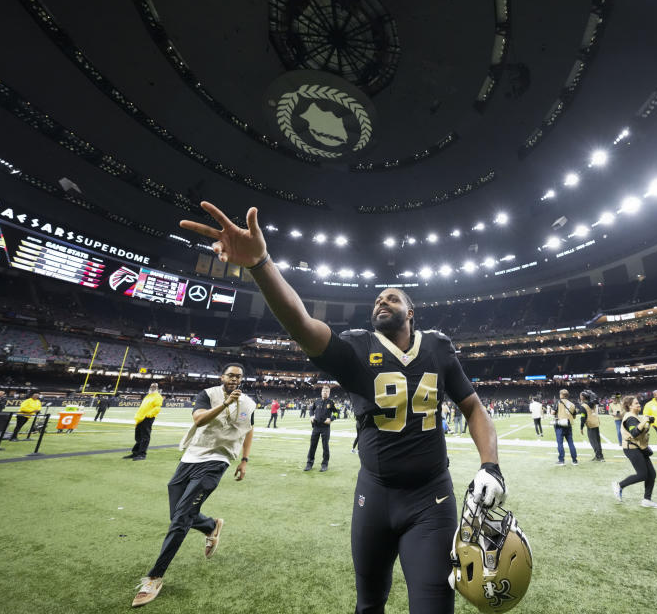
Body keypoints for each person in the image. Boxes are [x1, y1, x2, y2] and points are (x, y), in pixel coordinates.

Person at [181, 202, 505, 613]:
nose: (381, 302)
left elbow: (474, 407)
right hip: (375, 494)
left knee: (434, 605)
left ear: (411, 311)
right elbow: (300, 323)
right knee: (368, 604)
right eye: (377, 300)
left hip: (431, 498)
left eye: (391, 298)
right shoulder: (355, 348)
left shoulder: (438, 347)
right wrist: (261, 263)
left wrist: (489, 464)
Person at [132, 363, 255, 607]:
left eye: (239, 376)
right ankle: (211, 525)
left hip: (217, 460)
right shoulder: (208, 394)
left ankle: (154, 577)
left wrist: (244, 460)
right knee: (177, 513)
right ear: (222, 377)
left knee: (180, 519)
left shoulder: (249, 404)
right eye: (231, 375)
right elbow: (199, 421)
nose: (234, 379)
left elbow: (249, 430)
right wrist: (225, 404)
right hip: (191, 456)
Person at [611, 395, 657, 508]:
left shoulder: (636, 416)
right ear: (629, 406)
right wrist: (645, 421)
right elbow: (634, 432)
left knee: (651, 474)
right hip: (632, 448)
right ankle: (619, 485)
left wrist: (648, 422)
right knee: (643, 474)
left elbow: (642, 431)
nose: (639, 405)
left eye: (638, 403)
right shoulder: (630, 417)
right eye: (636, 403)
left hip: (639, 447)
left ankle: (647, 500)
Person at [126, 384, 162, 460]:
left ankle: (142, 454)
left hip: (147, 418)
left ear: (157, 388)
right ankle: (135, 453)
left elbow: (157, 408)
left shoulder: (157, 396)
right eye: (152, 386)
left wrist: (148, 415)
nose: (152, 387)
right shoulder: (148, 396)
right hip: (140, 418)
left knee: (145, 436)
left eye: (154, 386)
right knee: (138, 437)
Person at [305, 385, 336, 471]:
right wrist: (311, 416)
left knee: (325, 446)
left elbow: (337, 413)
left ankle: (324, 465)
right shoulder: (317, 401)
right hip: (316, 427)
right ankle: (309, 464)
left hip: (325, 428)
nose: (325, 392)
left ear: (329, 393)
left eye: (327, 391)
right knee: (312, 446)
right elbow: (311, 409)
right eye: (323, 391)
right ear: (321, 392)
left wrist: (331, 419)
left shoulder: (331, 402)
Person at [554, 389, 578, 466]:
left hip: (560, 425)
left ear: (562, 395)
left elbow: (553, 412)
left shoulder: (558, 402)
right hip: (568, 424)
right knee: (571, 443)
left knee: (560, 443)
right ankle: (574, 460)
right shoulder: (572, 404)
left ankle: (561, 460)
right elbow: (574, 416)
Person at [578, 391, 604, 462]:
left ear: (583, 397)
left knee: (593, 441)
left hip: (590, 424)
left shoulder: (584, 406)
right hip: (596, 422)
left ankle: (598, 456)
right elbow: (596, 399)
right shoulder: (593, 403)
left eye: (580, 395)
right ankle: (600, 455)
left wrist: (581, 427)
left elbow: (583, 417)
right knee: (598, 441)